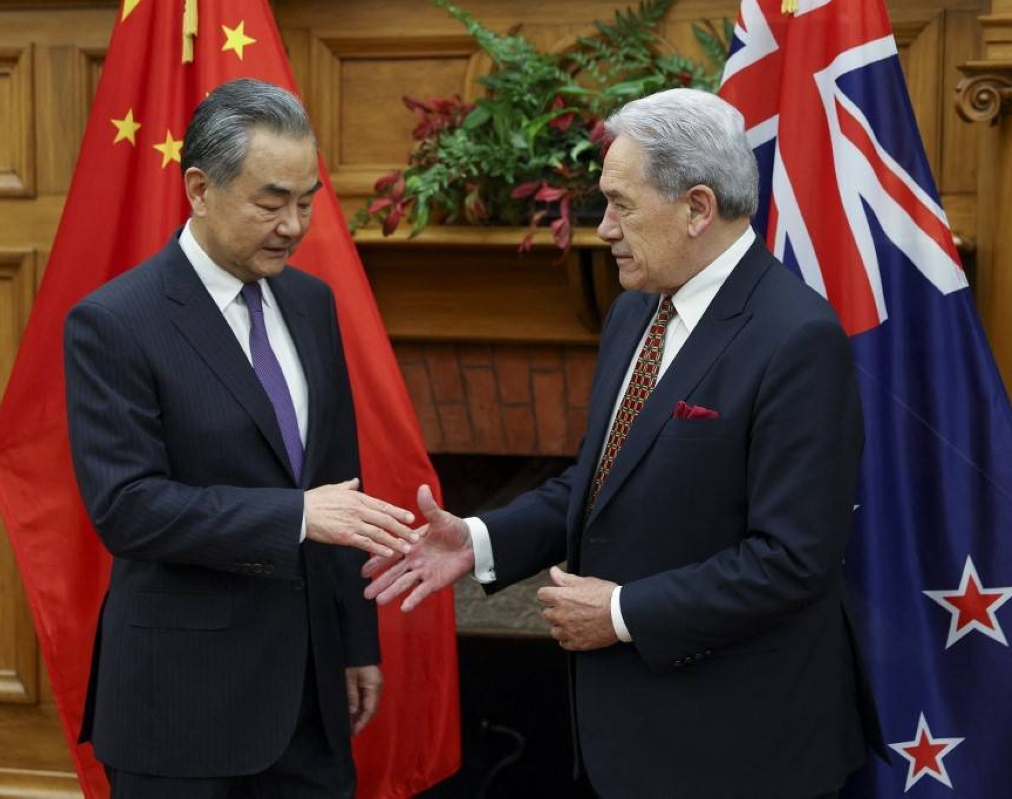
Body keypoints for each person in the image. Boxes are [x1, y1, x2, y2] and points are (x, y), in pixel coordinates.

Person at [365, 88, 885, 798]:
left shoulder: (797, 338)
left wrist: (619, 613)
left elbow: (793, 560)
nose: (603, 227)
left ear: (697, 208)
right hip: (632, 739)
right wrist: (479, 540)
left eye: (621, 204)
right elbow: (603, 479)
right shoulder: (635, 310)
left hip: (742, 751)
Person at [64, 78, 418, 798]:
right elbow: (126, 508)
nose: (294, 224)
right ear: (200, 188)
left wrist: (353, 642)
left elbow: (338, 484)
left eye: (307, 200)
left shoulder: (312, 304)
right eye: (271, 201)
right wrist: (294, 516)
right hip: (182, 711)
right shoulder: (114, 321)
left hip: (311, 704)